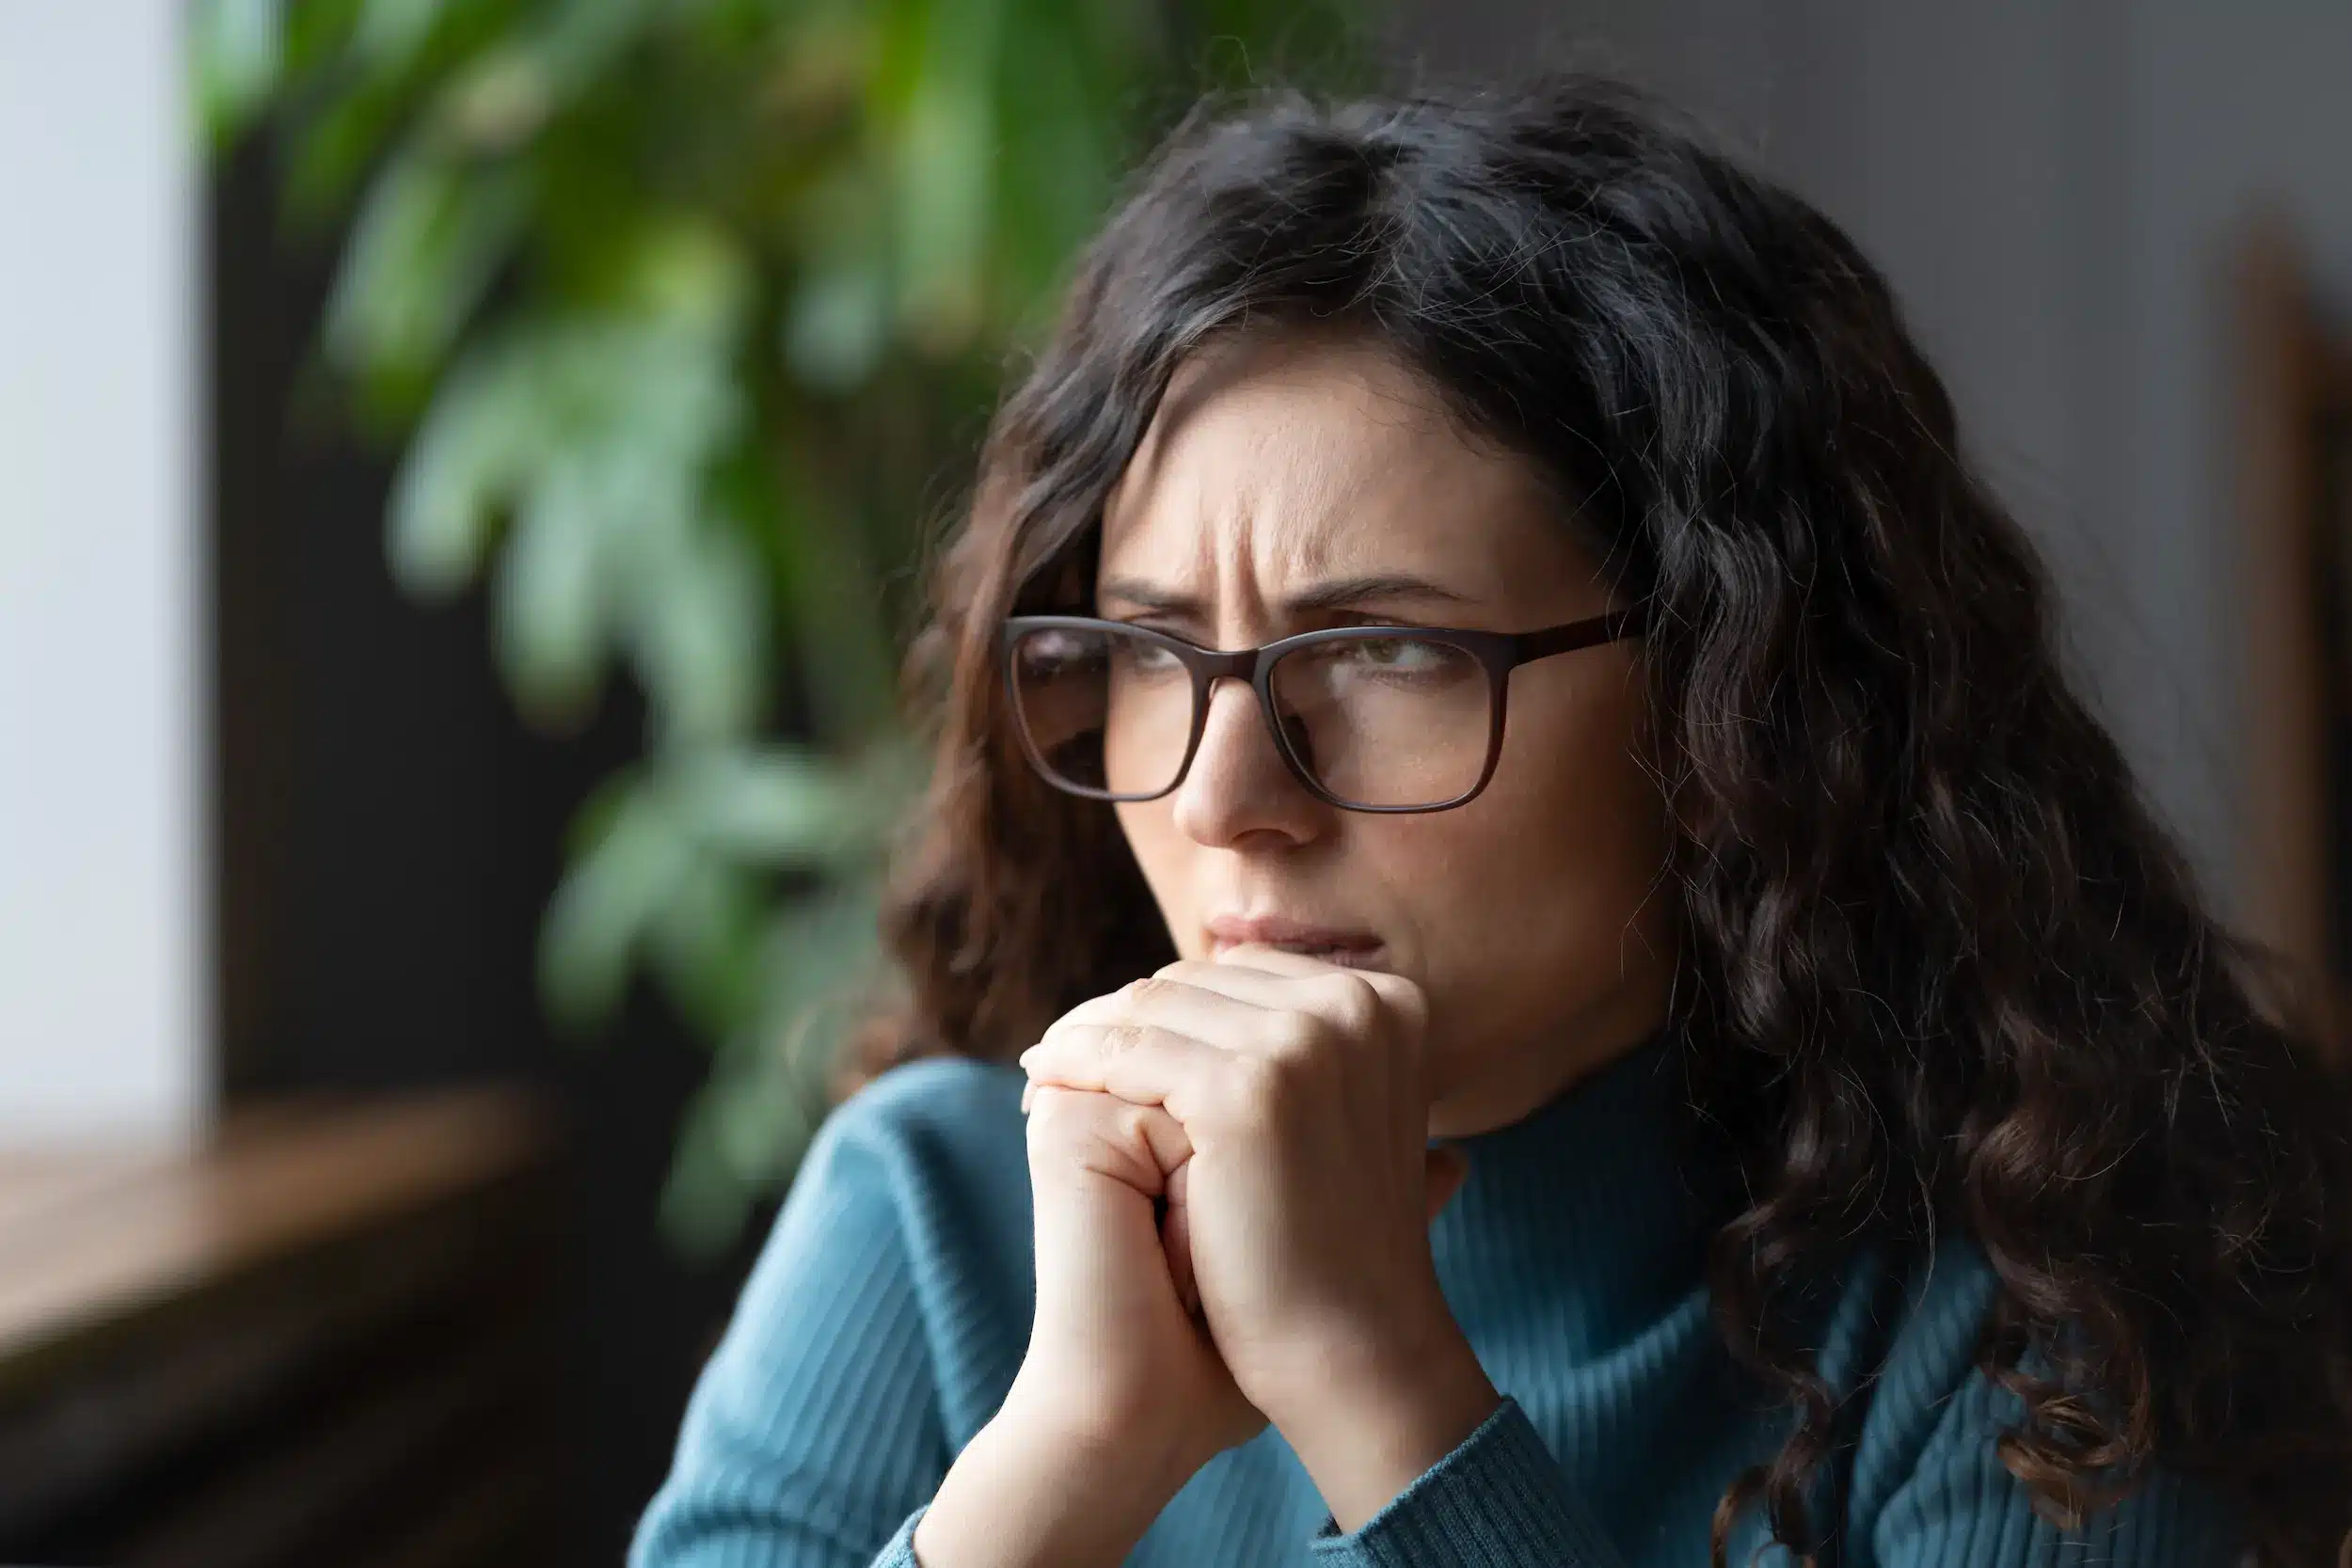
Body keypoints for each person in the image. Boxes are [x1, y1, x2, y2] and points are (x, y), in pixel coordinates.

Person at [628, 72, 2352, 1568]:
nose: (1226, 797)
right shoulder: (937, 1210)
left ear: (1731, 692)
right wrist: (1064, 1461)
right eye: (1152, 652)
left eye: (1384, 649)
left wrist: (1385, 1385)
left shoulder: (2032, 1289)